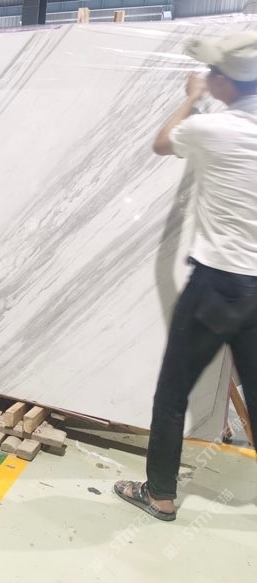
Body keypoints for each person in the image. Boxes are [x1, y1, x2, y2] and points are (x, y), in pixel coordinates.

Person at [114, 31, 257, 522]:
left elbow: (160, 144)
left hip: (216, 284)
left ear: (226, 83)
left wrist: (191, 99)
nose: (209, 78)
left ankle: (159, 495)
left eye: (214, 74)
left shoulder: (211, 128)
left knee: (173, 392)